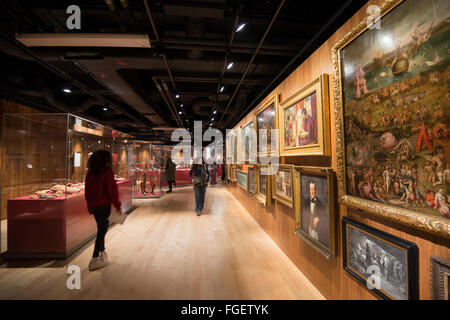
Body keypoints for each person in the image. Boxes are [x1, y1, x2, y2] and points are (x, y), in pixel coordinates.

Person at [85, 150, 122, 271]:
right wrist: (117, 205)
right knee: (102, 231)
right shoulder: (107, 173)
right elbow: (112, 191)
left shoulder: (90, 173)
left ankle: (103, 252)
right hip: (103, 206)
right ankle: (94, 258)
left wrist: (90, 206)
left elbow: (87, 192)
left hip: (94, 206)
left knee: (101, 229)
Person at [301, 181, 329, 247]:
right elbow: (303, 214)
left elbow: (325, 216)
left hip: (317, 231)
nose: (312, 191)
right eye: (310, 189)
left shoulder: (320, 204)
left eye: (313, 189)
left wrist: (319, 218)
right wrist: (308, 224)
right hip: (308, 230)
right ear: (309, 190)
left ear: (316, 190)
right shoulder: (306, 201)